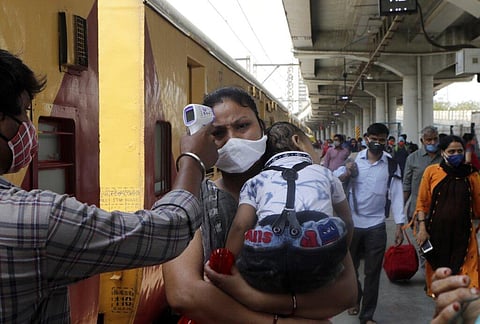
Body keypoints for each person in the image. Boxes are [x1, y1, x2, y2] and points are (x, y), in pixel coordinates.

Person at [0, 49, 219, 322]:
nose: (28, 127)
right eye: (22, 114)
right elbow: (170, 229)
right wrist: (194, 160)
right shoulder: (37, 221)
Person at [163, 87, 358, 323]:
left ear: (262, 128)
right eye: (218, 133)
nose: (232, 139)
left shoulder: (305, 187)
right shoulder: (194, 199)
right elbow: (184, 294)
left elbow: (347, 291)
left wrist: (255, 300)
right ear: (205, 139)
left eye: (242, 126)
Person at [222, 121, 353, 295]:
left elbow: (240, 226)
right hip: (318, 265)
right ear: (297, 140)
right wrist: (339, 255)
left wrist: (225, 266)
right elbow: (347, 221)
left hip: (268, 267)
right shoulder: (325, 174)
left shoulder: (255, 181)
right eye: (311, 144)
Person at [347, 122, 405, 324]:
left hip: (377, 225)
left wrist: (399, 225)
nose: (377, 143)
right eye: (374, 139)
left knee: (372, 272)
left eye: (382, 140)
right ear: (365, 139)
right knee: (350, 267)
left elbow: (396, 196)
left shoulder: (391, 164)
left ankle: (367, 315)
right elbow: (337, 183)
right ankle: (355, 298)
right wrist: (345, 172)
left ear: (387, 141)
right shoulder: (354, 161)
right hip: (353, 224)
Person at [414, 135, 480, 298]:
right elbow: (422, 203)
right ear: (443, 152)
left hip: (464, 237)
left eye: (460, 151)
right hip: (436, 235)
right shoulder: (432, 172)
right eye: (452, 151)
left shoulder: (472, 175)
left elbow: (478, 207)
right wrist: (422, 229)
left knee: (469, 282)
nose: (456, 154)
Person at [403, 126, 442, 223]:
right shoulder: (412, 158)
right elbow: (407, 185)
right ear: (422, 140)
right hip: (418, 211)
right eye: (429, 140)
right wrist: (401, 208)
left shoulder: (444, 157)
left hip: (441, 211)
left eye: (435, 139)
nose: (433, 142)